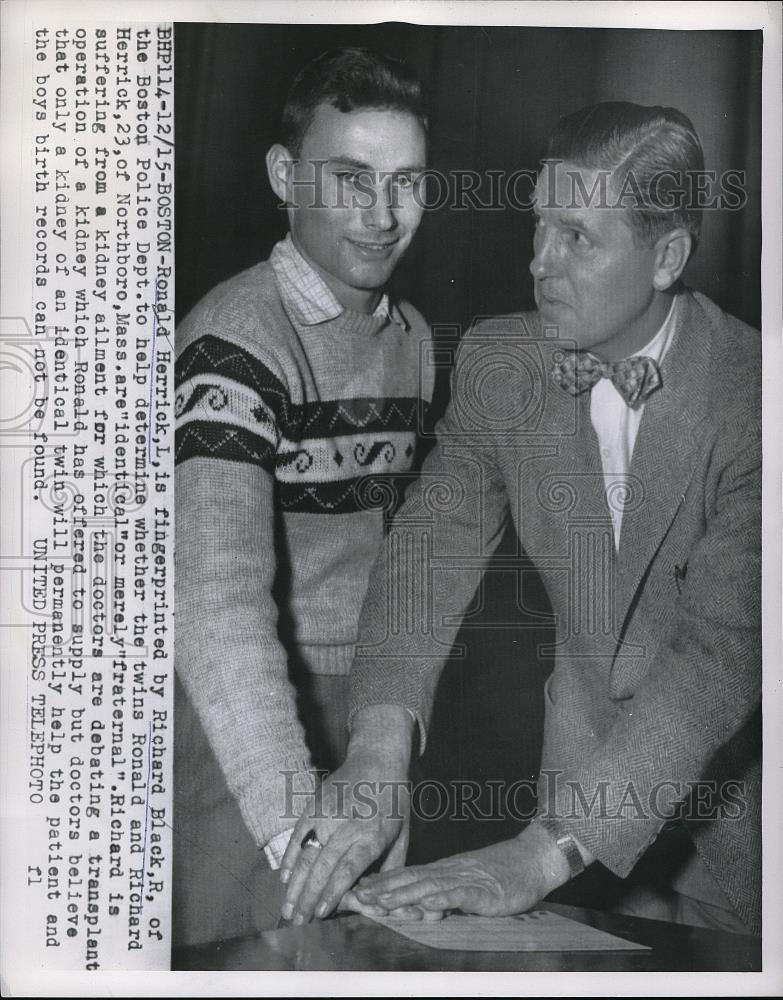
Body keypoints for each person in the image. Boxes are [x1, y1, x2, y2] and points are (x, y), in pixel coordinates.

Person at [278, 102, 762, 936]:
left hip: (741, 849)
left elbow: (718, 657)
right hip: (573, 840)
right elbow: (426, 550)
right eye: (538, 225)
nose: (539, 263)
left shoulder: (758, 395)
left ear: (666, 256)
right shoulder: (504, 360)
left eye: (577, 237)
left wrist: (541, 853)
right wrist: (376, 751)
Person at [173, 47, 432, 946]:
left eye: (406, 182)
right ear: (286, 176)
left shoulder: (413, 338)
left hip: (365, 732)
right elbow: (214, 602)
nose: (382, 214)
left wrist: (379, 758)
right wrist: (297, 828)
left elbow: (406, 572)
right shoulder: (232, 339)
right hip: (242, 734)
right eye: (350, 179)